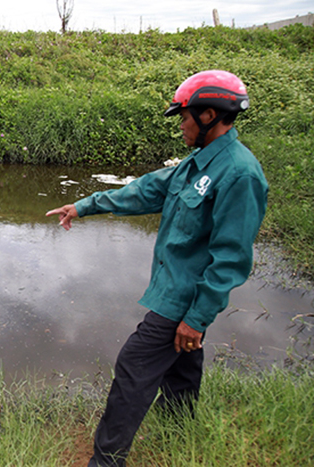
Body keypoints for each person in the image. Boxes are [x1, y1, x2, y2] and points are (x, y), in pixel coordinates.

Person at [45, 70, 269, 467]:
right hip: (175, 287)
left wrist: (197, 318)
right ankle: (177, 430)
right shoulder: (198, 163)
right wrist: (83, 206)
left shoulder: (239, 173)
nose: (180, 125)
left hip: (185, 297)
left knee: (135, 367)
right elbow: (147, 190)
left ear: (209, 115)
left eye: (184, 117)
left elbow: (231, 258)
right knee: (183, 362)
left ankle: (106, 460)